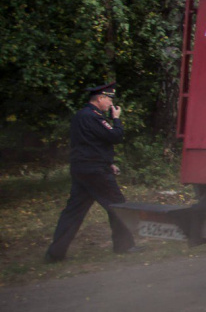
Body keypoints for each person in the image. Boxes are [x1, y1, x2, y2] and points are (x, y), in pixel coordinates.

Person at [45, 82, 142, 262]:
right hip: (95, 171)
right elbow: (115, 136)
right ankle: (124, 246)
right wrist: (117, 119)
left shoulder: (80, 116)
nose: (111, 104)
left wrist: (108, 163)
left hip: (82, 169)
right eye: (109, 100)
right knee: (118, 206)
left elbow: (90, 144)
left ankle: (55, 253)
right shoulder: (94, 117)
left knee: (73, 212)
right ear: (100, 98)